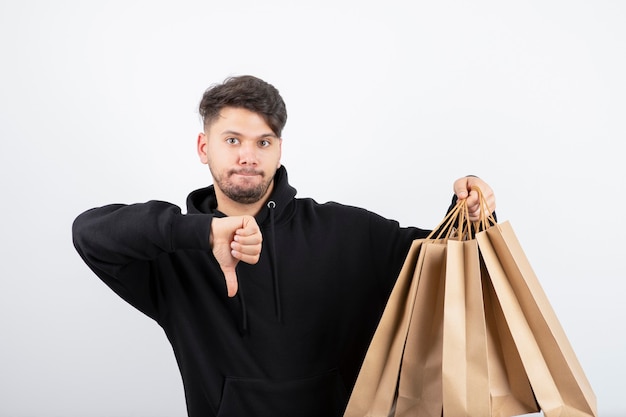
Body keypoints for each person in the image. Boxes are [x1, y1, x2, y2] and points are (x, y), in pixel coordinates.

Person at [72, 75, 496, 417]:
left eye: (263, 142)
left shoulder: (343, 230)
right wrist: (202, 233)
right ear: (205, 148)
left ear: (278, 150)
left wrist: (473, 212)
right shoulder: (173, 256)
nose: (248, 156)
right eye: (232, 140)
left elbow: (442, 260)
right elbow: (90, 233)